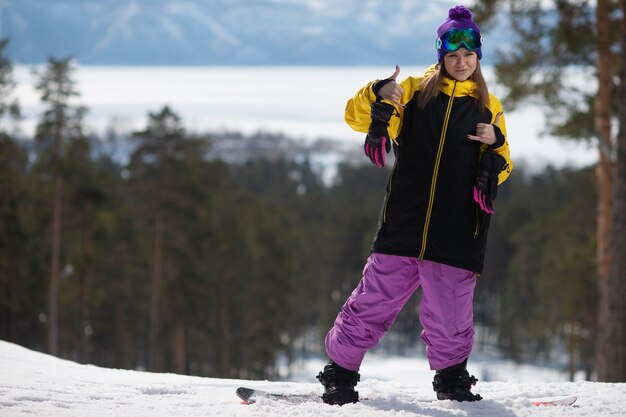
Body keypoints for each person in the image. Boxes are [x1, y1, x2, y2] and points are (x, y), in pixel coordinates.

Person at [316, 5, 513, 405]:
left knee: (450, 315)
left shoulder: (488, 105)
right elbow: (356, 119)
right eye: (453, 55)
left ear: (478, 58)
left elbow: (503, 166)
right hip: (403, 225)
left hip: (457, 230)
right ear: (441, 55)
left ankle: (452, 380)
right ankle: (339, 373)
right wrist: (375, 92)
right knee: (371, 303)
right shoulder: (412, 91)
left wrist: (495, 146)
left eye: (468, 56)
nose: (461, 63)